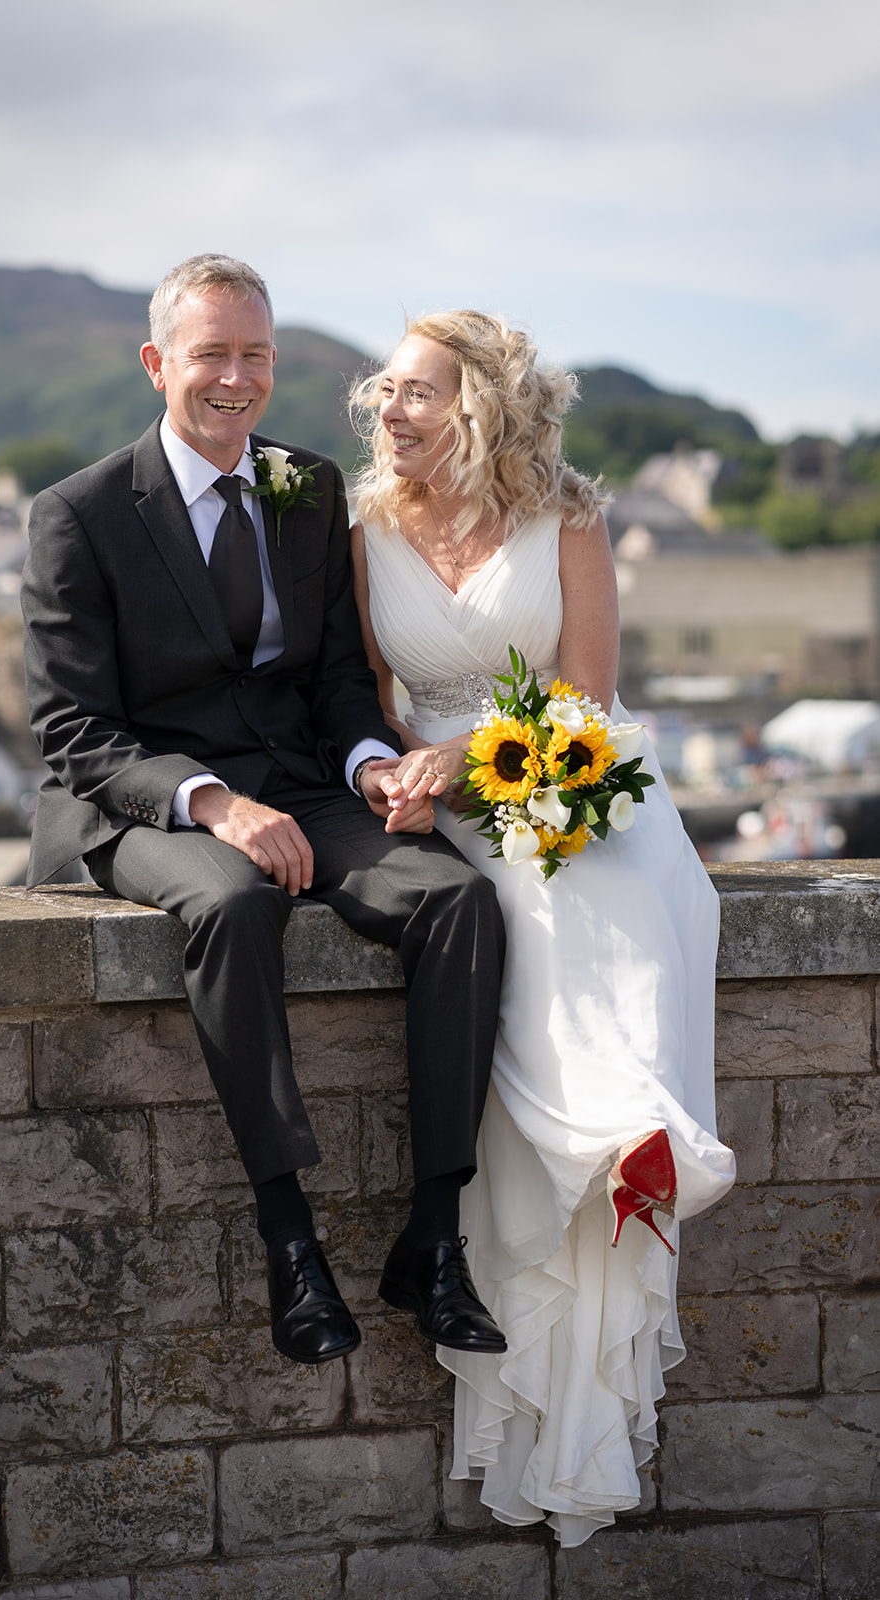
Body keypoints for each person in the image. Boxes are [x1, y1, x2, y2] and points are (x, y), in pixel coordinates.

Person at [20, 255, 509, 1370]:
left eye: (254, 355)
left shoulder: (308, 486)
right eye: (210, 355)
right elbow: (73, 732)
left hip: (298, 779)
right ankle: (288, 1234)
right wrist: (213, 804)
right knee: (233, 902)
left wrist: (374, 765)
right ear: (158, 365)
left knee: (455, 902)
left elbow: (338, 678)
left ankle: (432, 1236)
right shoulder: (79, 514)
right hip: (141, 798)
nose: (234, 378)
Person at [349, 310, 736, 1545]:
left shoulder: (565, 513)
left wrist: (485, 754)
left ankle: (634, 1137)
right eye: (381, 393)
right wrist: (395, 772)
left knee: (594, 875)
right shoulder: (358, 527)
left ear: (480, 404)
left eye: (413, 392)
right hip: (435, 803)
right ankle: (612, 1140)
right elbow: (361, 700)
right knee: (513, 895)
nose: (387, 412)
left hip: (552, 759)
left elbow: (586, 692)